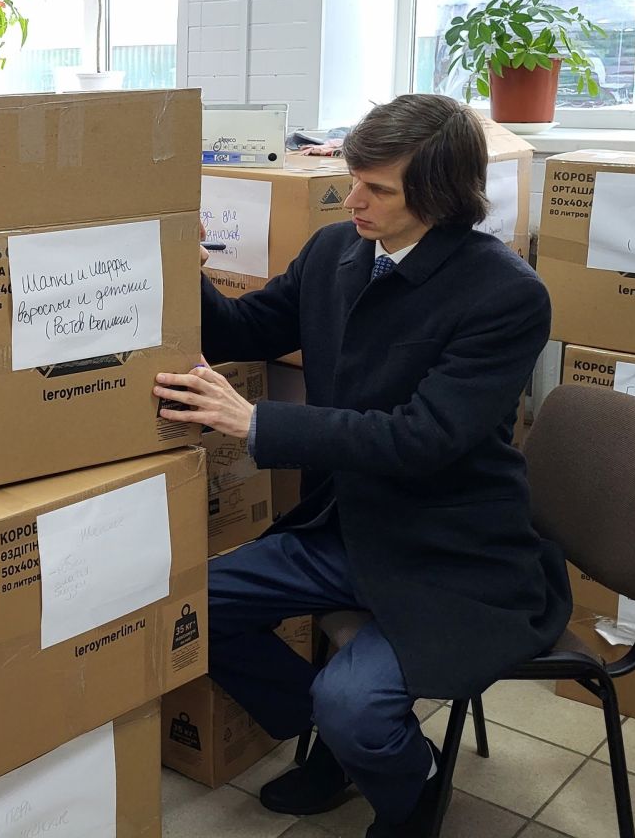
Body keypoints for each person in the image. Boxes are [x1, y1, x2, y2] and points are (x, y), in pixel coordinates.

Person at [153, 94, 568, 838]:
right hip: (346, 524)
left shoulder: (505, 295)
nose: (353, 201)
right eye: (353, 180)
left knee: (356, 704)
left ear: (440, 197)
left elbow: (422, 439)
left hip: (451, 550)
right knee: (182, 612)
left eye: (377, 189)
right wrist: (186, 276)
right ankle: (341, 743)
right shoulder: (335, 252)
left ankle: (412, 793)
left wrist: (257, 423)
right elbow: (245, 330)